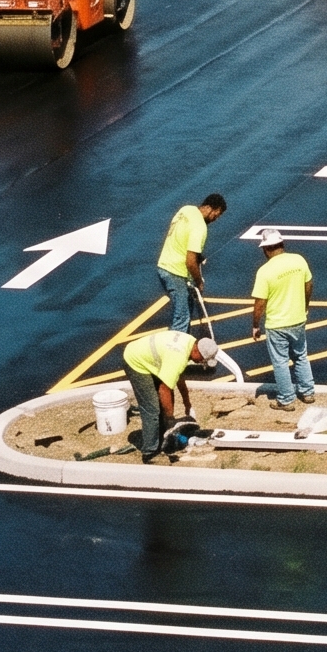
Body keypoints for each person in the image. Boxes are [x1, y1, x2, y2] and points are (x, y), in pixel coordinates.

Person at [119, 330, 219, 464]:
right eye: (202, 360)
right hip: (135, 361)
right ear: (197, 351)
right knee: (152, 408)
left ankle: (159, 437)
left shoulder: (190, 343)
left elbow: (179, 378)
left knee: (164, 402)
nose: (201, 363)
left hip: (147, 358)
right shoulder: (178, 356)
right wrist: (170, 418)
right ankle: (150, 453)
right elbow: (164, 389)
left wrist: (187, 404)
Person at [247, 227, 315, 408]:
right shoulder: (299, 260)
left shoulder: (265, 271)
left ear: (266, 249)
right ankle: (307, 392)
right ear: (282, 244)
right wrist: (305, 306)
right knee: (301, 356)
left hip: (277, 324)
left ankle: (286, 399)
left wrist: (255, 325)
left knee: (280, 362)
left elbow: (260, 303)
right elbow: (309, 285)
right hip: (298, 319)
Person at [154, 194, 226, 334]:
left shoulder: (186, 210)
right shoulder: (200, 227)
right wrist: (199, 281)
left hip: (163, 266)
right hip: (177, 273)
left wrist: (198, 255)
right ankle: (174, 351)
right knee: (182, 318)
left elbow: (181, 237)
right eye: (217, 215)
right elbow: (190, 262)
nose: (216, 219)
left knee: (185, 309)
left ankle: (181, 345)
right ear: (210, 208)